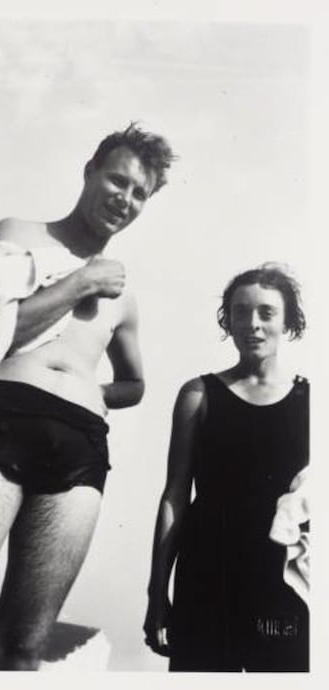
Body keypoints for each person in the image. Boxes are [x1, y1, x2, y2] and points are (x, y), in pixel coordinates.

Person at [0, 124, 175, 670]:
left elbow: (136, 384)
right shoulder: (19, 234)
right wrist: (81, 284)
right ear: (90, 170)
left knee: (22, 652)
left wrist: (93, 389)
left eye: (140, 193)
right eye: (118, 180)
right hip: (1, 423)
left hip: (81, 447)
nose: (125, 199)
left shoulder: (127, 297)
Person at [144, 264, 309, 672]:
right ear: (228, 320)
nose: (252, 324)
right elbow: (175, 497)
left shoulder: (312, 400)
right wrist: (156, 595)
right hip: (206, 574)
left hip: (282, 581)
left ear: (287, 321)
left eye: (266, 313)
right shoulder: (198, 395)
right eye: (240, 312)